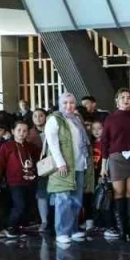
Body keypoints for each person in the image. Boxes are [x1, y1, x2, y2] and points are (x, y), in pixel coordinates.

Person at [100, 88, 130, 240]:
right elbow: (104, 142)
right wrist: (103, 166)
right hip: (116, 158)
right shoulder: (110, 119)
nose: (126, 100)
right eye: (122, 97)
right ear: (117, 101)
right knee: (118, 193)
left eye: (129, 97)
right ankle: (122, 230)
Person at [44, 93, 91, 245]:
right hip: (63, 165)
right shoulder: (54, 119)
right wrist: (60, 162)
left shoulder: (76, 119)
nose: (68, 106)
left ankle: (73, 229)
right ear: (60, 104)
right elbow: (52, 143)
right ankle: (62, 232)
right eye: (65, 103)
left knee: (76, 200)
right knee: (63, 199)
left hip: (78, 164)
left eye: (71, 102)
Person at [0, 120, 38, 239]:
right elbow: (0, 164)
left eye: (24, 131)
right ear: (13, 131)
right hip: (15, 182)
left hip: (29, 181)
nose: (21, 133)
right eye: (19, 130)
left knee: (27, 205)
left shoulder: (31, 147)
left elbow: (38, 160)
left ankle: (19, 228)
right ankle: (10, 227)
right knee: (19, 205)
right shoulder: (7, 146)